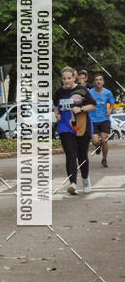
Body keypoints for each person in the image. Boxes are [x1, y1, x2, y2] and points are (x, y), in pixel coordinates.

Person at [53, 66, 96, 195]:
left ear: (74, 77)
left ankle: (85, 180)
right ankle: (72, 183)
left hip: (81, 126)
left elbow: (93, 105)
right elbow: (56, 105)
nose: (66, 81)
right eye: (64, 78)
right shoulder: (59, 92)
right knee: (70, 155)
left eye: (69, 78)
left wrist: (81, 109)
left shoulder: (82, 90)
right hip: (65, 127)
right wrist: (57, 114)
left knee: (82, 154)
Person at [89, 72, 115, 168]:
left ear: (103, 82)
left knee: (104, 140)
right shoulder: (90, 92)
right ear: (94, 82)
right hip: (92, 120)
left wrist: (110, 110)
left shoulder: (108, 92)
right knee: (95, 141)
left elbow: (112, 103)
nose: (98, 81)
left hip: (104, 119)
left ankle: (104, 159)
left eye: (100, 79)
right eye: (96, 80)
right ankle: (97, 145)